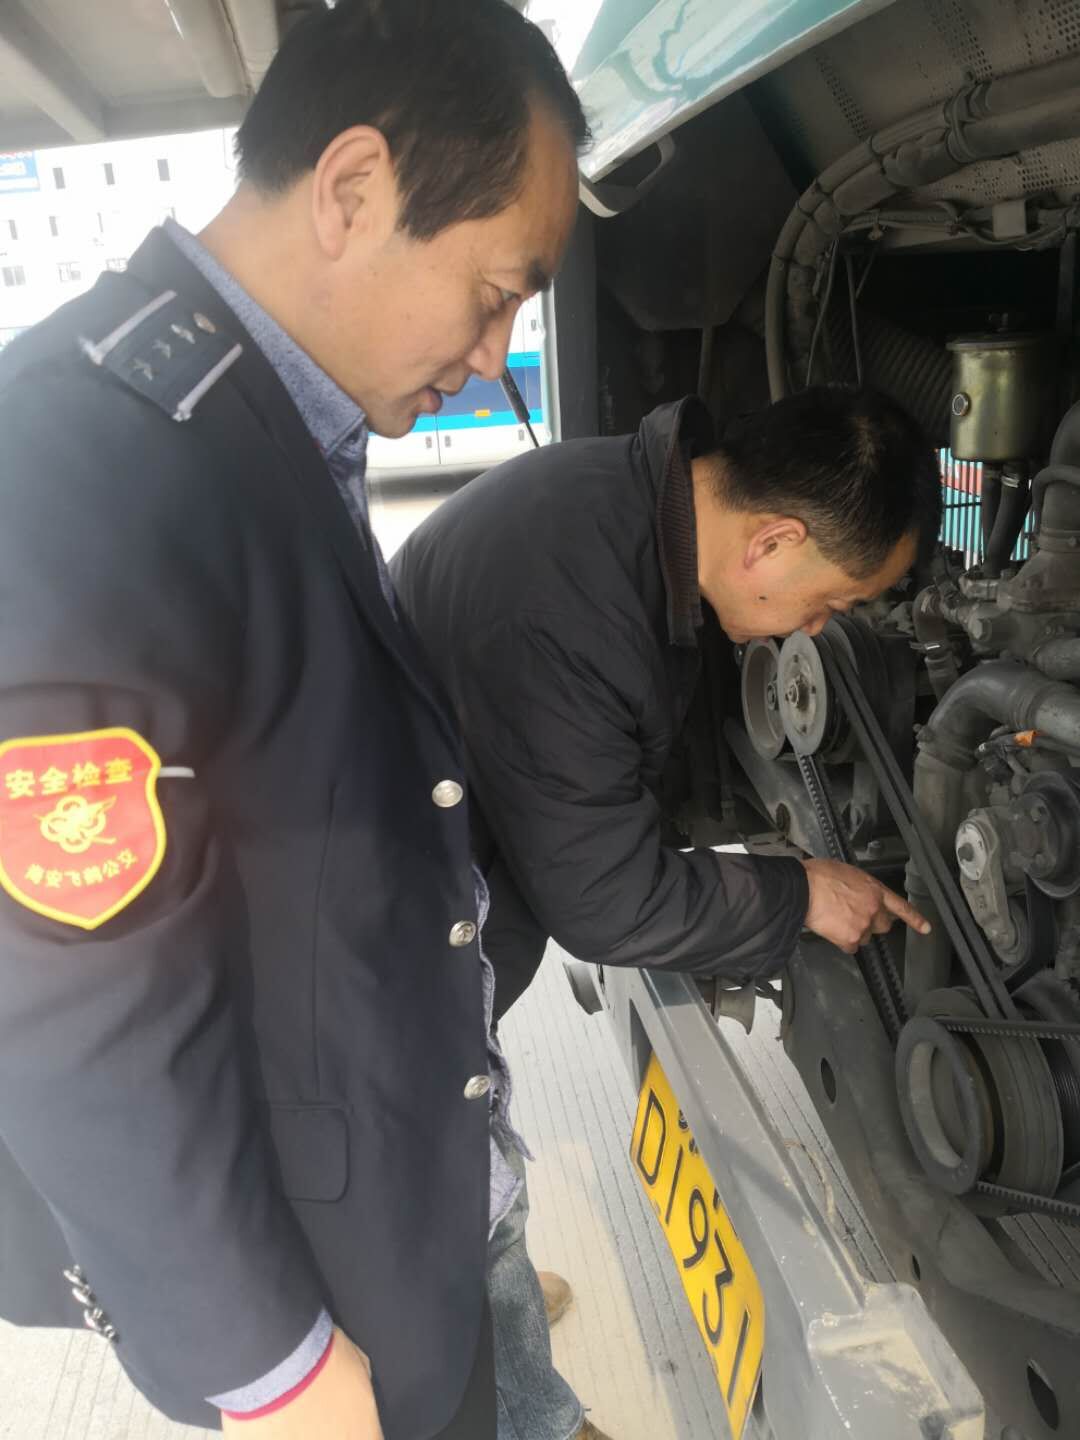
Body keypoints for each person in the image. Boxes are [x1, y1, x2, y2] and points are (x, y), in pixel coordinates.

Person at [0, 3, 592, 1438]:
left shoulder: (247, 411)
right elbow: (73, 990)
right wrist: (267, 1367)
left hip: (397, 1186)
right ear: (353, 190)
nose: (499, 354)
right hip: (315, 1289)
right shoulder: (84, 458)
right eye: (495, 292)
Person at [390, 387, 939, 1023]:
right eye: (832, 603)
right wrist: (804, 895)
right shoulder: (574, 615)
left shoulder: (617, 498)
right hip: (384, 960)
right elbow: (605, 903)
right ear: (772, 543)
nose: (816, 628)